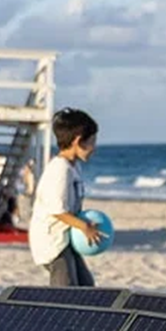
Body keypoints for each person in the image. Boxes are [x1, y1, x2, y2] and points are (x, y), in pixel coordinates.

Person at [29, 108, 102, 286]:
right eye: (92, 141)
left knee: (86, 285)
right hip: (52, 243)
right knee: (66, 292)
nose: (94, 147)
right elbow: (58, 211)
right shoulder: (60, 169)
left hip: (66, 239)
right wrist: (85, 227)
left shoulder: (73, 167)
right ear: (78, 141)